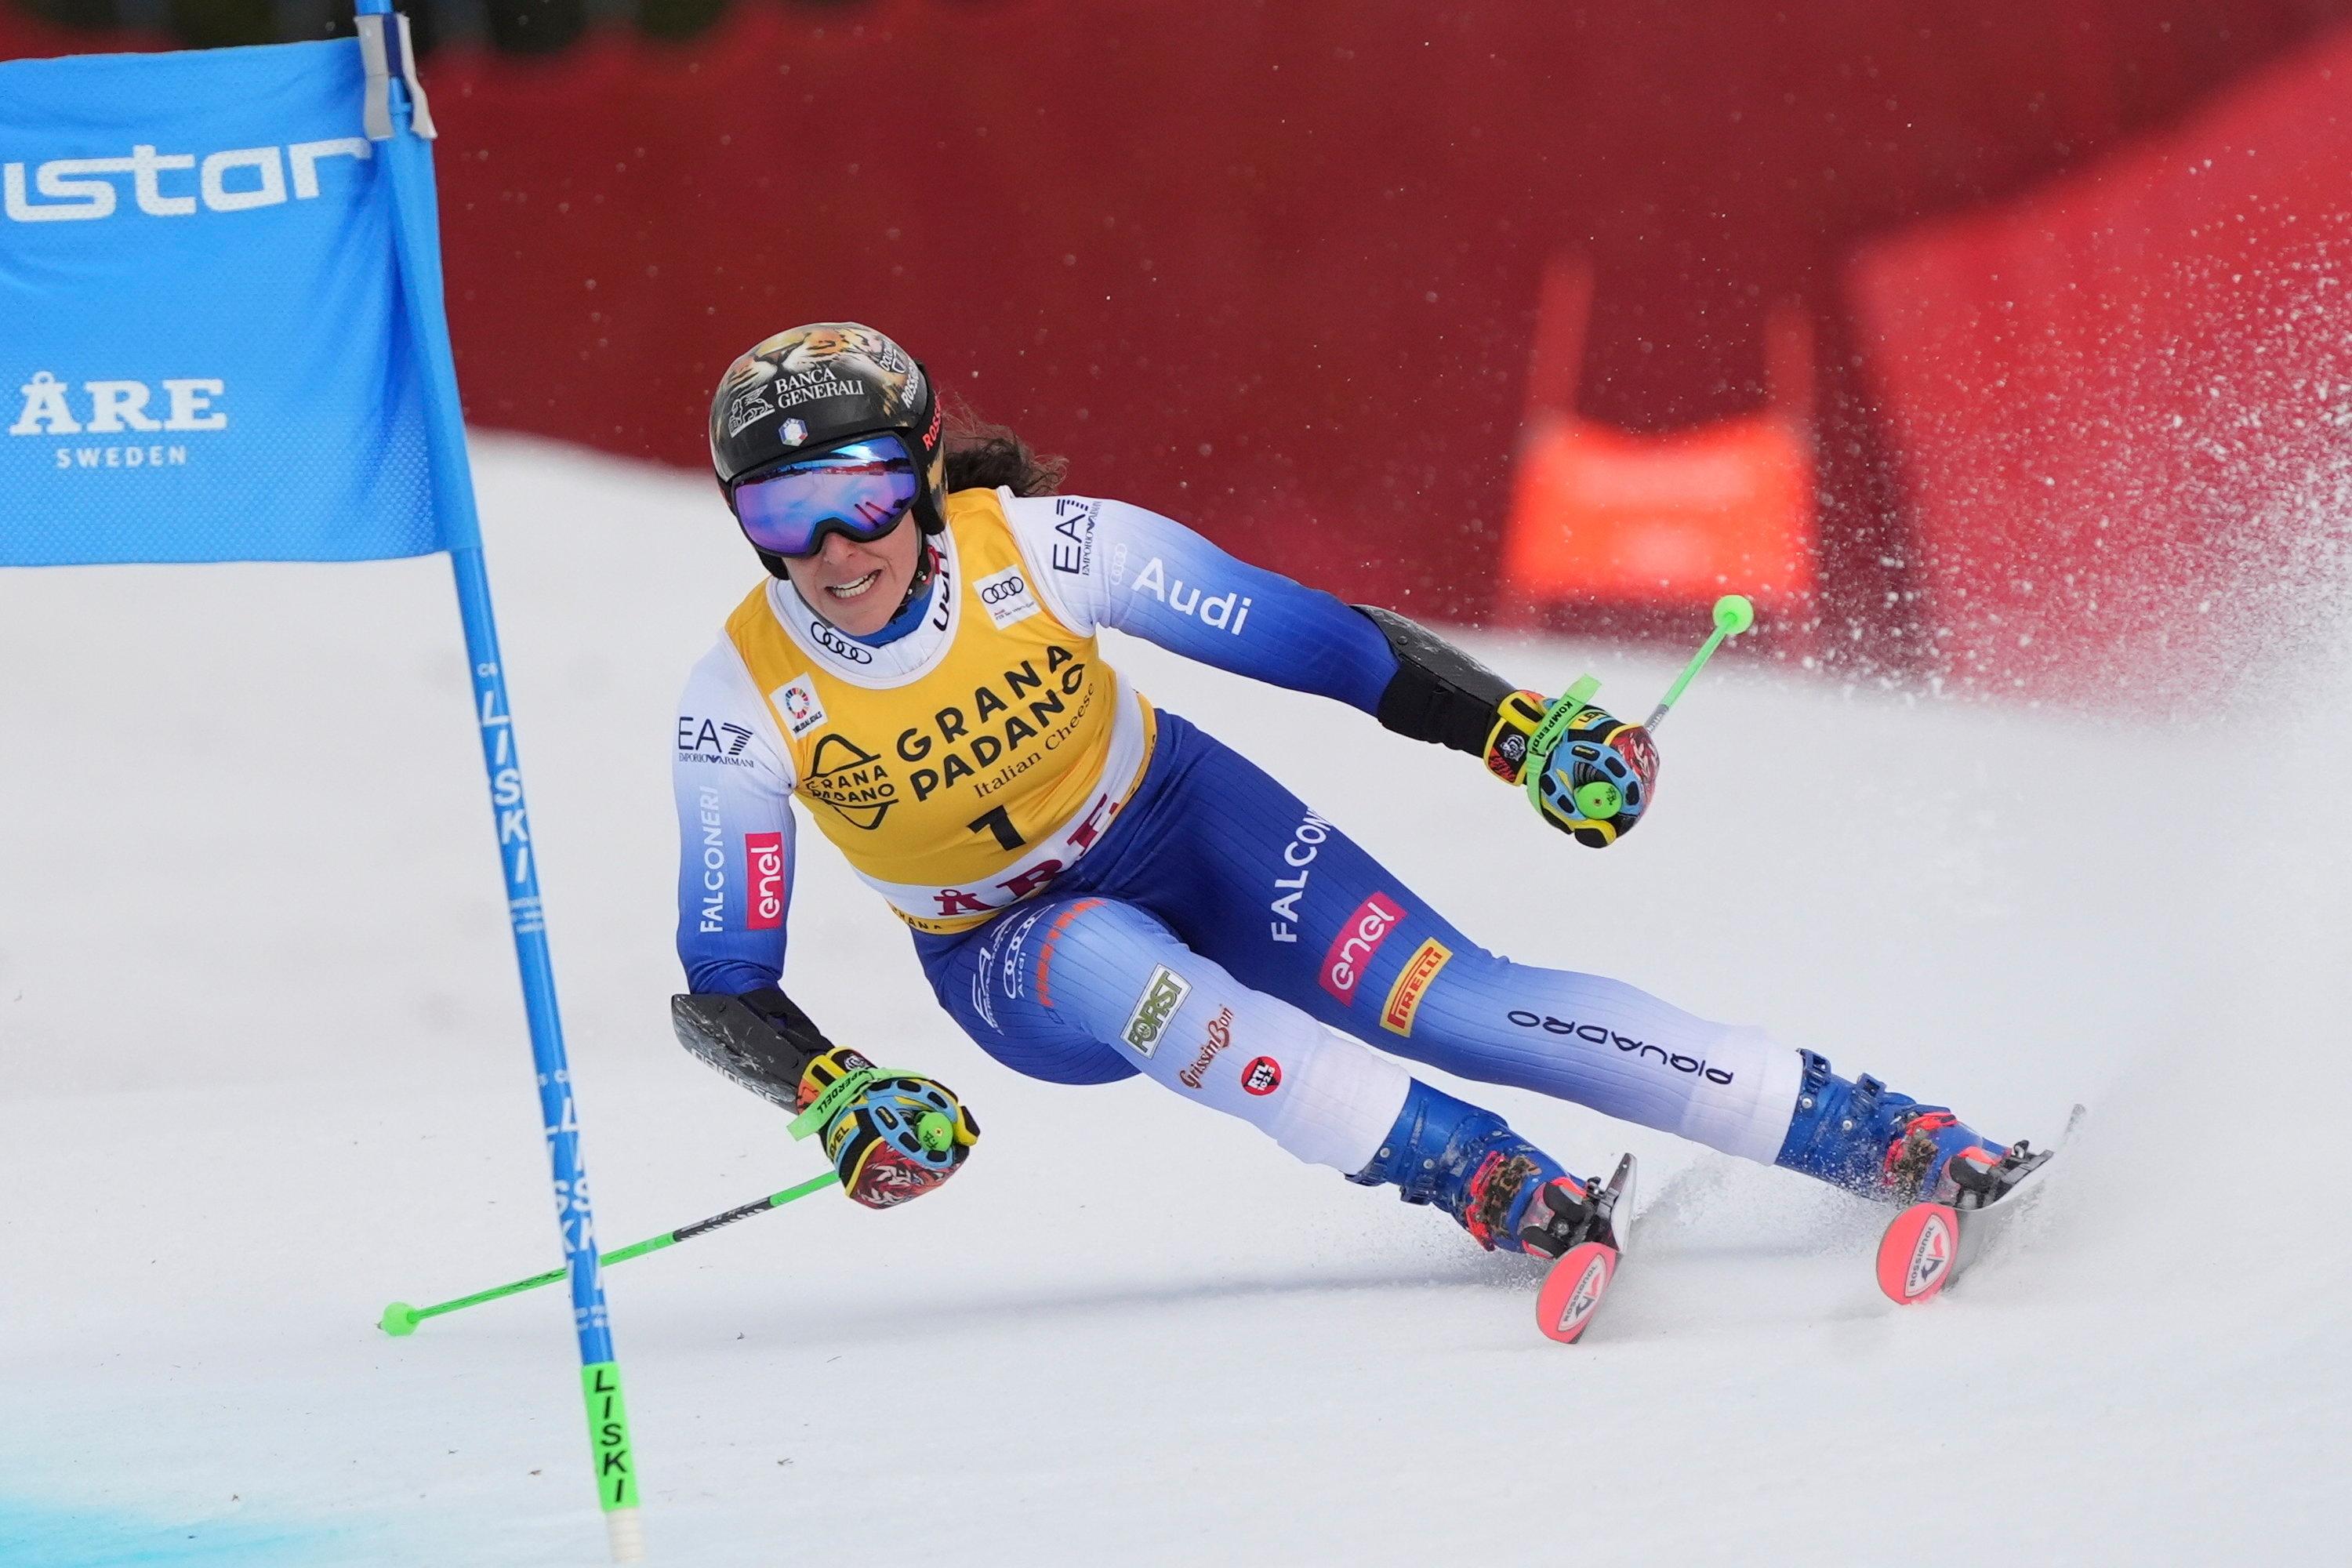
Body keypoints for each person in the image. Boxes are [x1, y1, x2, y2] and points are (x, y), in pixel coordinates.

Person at [670, 321, 2016, 1257]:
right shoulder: (739, 698)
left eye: (858, 496)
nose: (836, 550)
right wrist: (833, 1091)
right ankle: (1469, 1171)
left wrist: (1517, 732)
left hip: (1182, 818)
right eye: (782, 519)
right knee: (1102, 954)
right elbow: (723, 979)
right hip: (1002, 953)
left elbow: (1306, 637)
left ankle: (1869, 1129)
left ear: (919, 473)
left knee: (1450, 996)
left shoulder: (1050, 547)